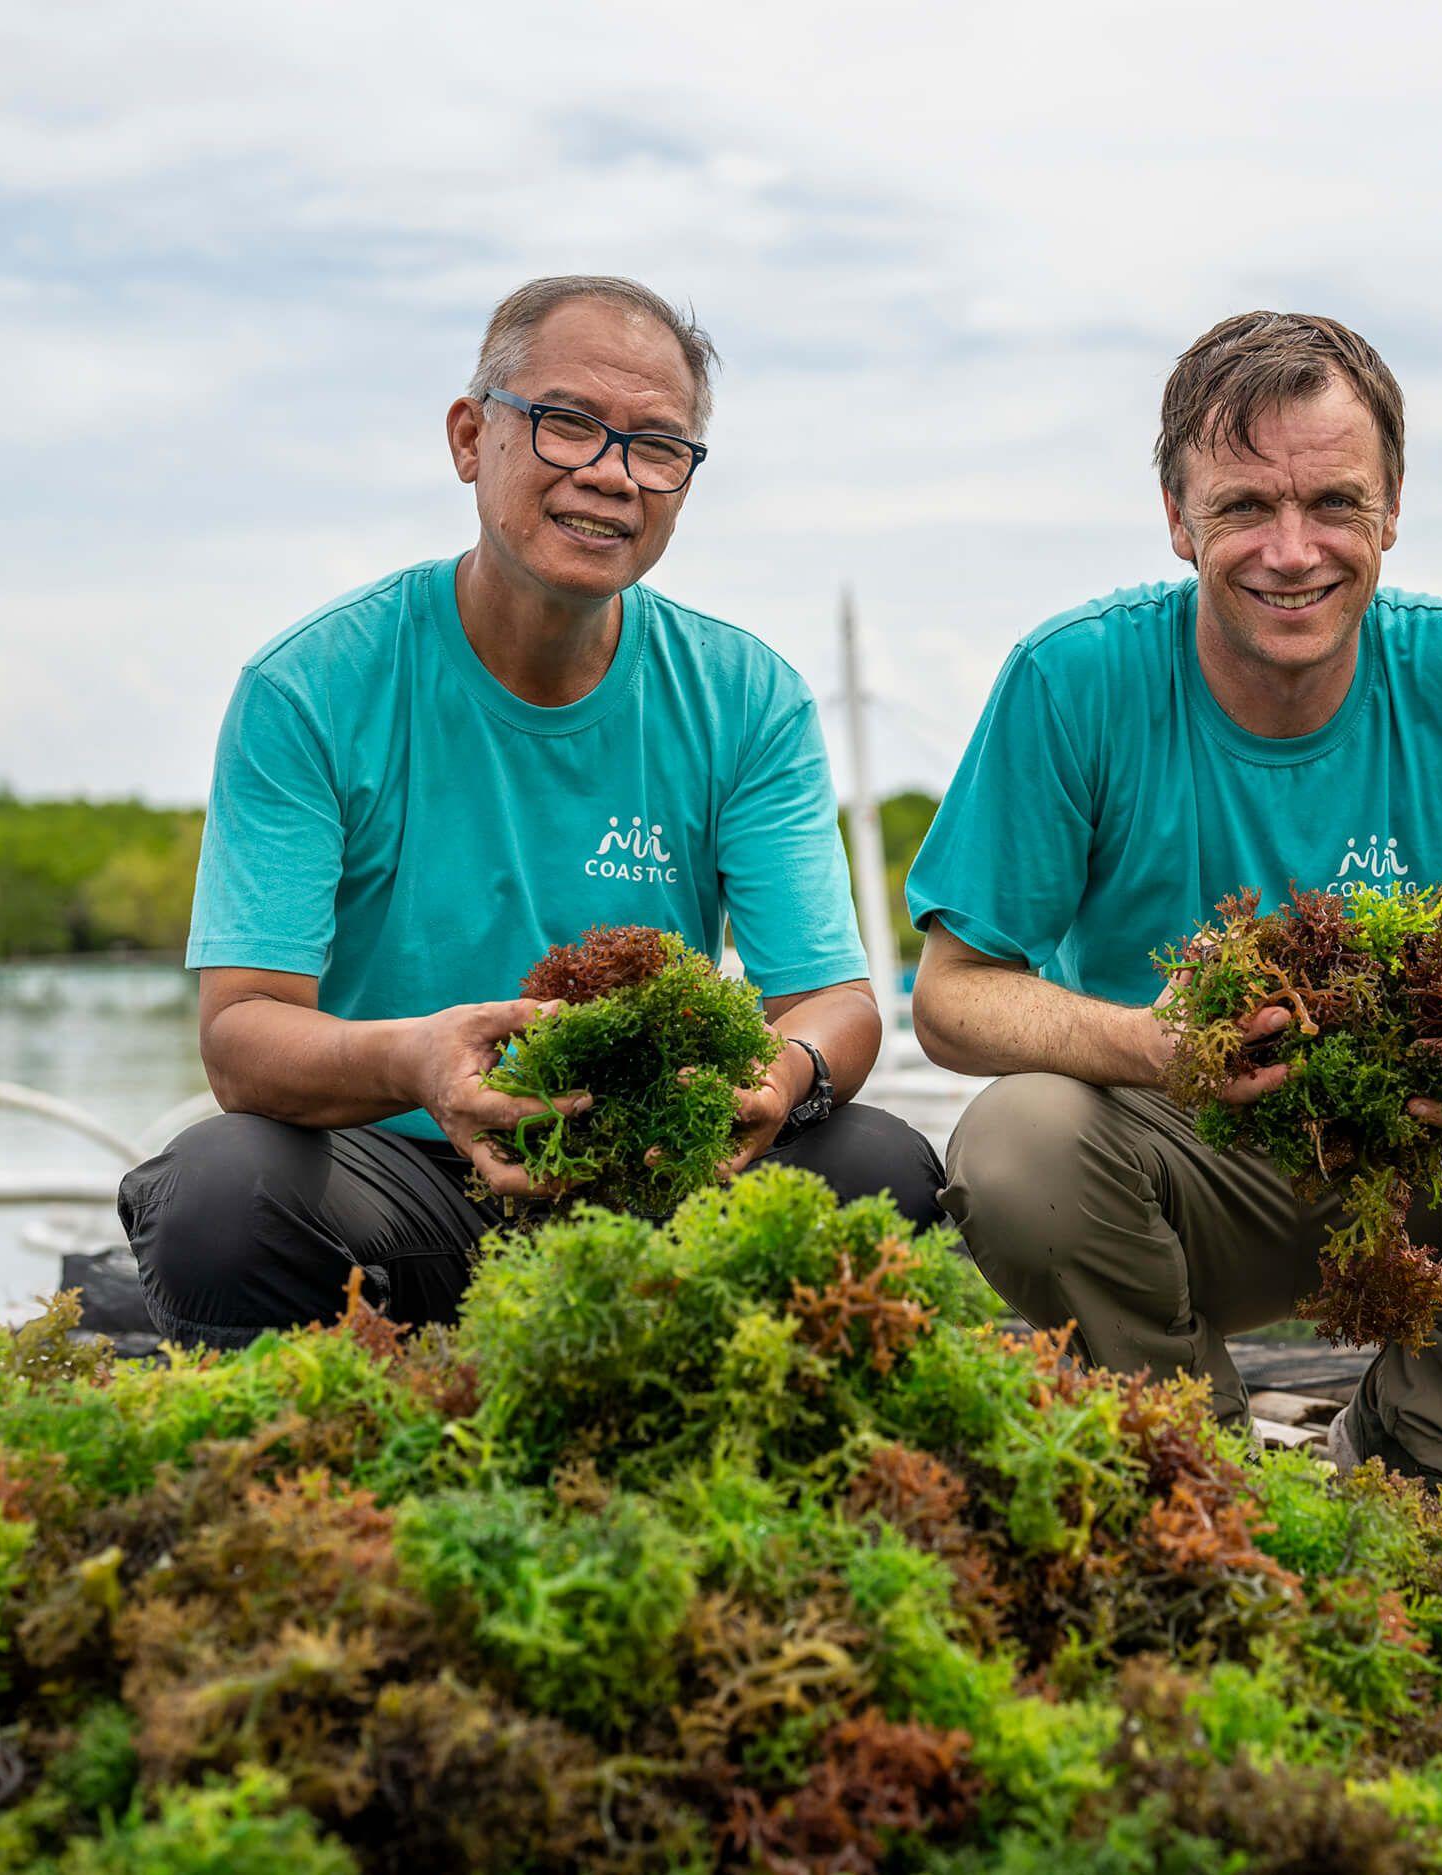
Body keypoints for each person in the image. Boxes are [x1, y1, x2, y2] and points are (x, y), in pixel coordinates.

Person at [905, 311, 1442, 1493]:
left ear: (1392, 509)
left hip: (1432, 1159)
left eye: (1335, 504)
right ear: (1178, 520)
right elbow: (952, 999)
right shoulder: (1072, 679)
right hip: (1193, 1167)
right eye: (1245, 506)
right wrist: (1157, 1044)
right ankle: (1192, 1473)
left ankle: (1429, 1454)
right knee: (1017, 1143)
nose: (1291, 550)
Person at [121, 275, 941, 1349]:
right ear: (471, 438)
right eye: (566, 426)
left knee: (882, 1168)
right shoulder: (310, 687)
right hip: (400, 1180)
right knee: (219, 1193)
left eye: (657, 447)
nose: (610, 475)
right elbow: (241, 1039)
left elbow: (835, 1001)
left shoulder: (746, 695)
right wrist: (415, 1060)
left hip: (652, 1177)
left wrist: (782, 1077)